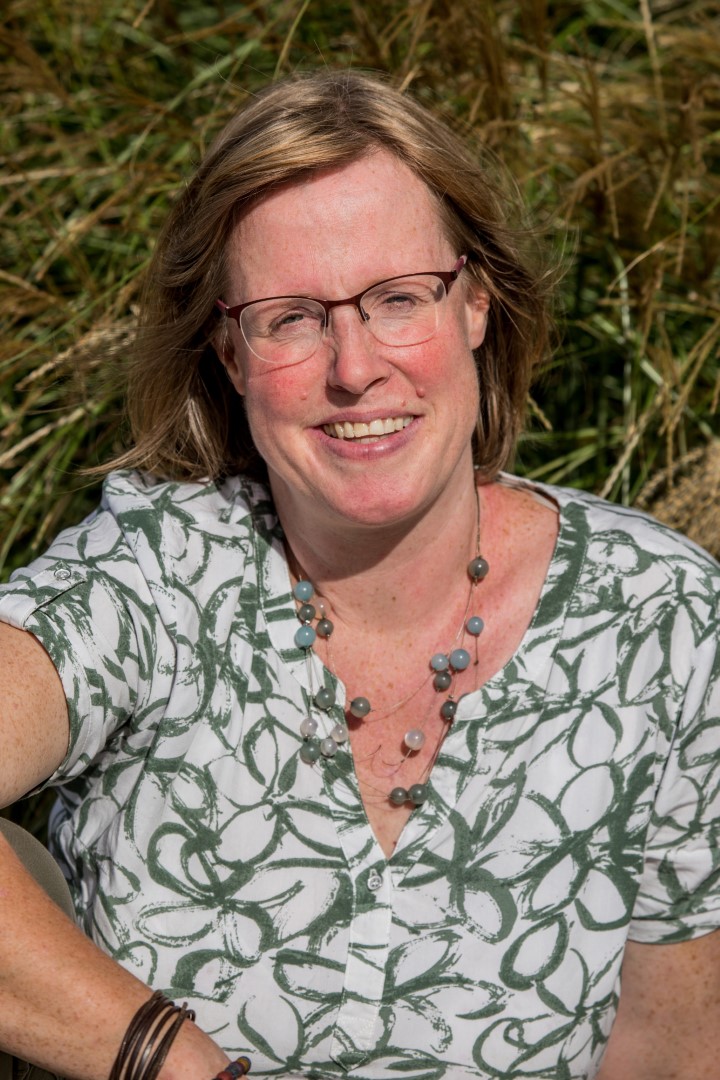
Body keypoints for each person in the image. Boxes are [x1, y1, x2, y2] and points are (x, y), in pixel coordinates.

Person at [0, 69, 718, 1080]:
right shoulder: (153, 578)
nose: (353, 367)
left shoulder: (662, 621)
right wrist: (167, 1059)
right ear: (230, 353)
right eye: (291, 317)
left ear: (477, 305)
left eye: (398, 299)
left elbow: (672, 1050)